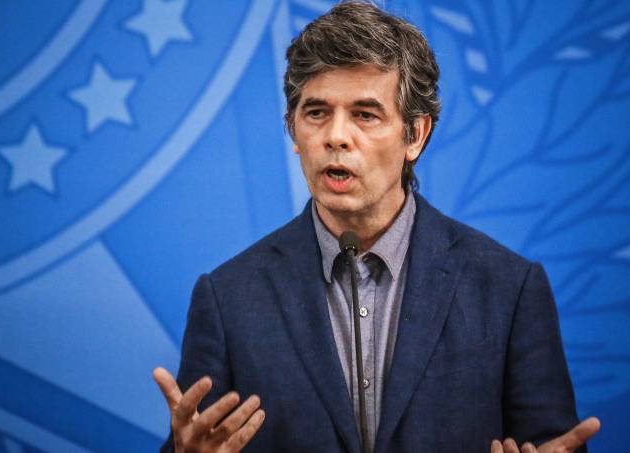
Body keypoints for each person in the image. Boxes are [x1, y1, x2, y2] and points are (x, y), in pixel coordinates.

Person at [154, 2, 600, 452]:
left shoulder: (508, 288)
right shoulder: (228, 298)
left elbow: (554, 444)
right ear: (293, 130)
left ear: (415, 135)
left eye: (365, 115)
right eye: (316, 113)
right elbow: (197, 441)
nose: (336, 136)